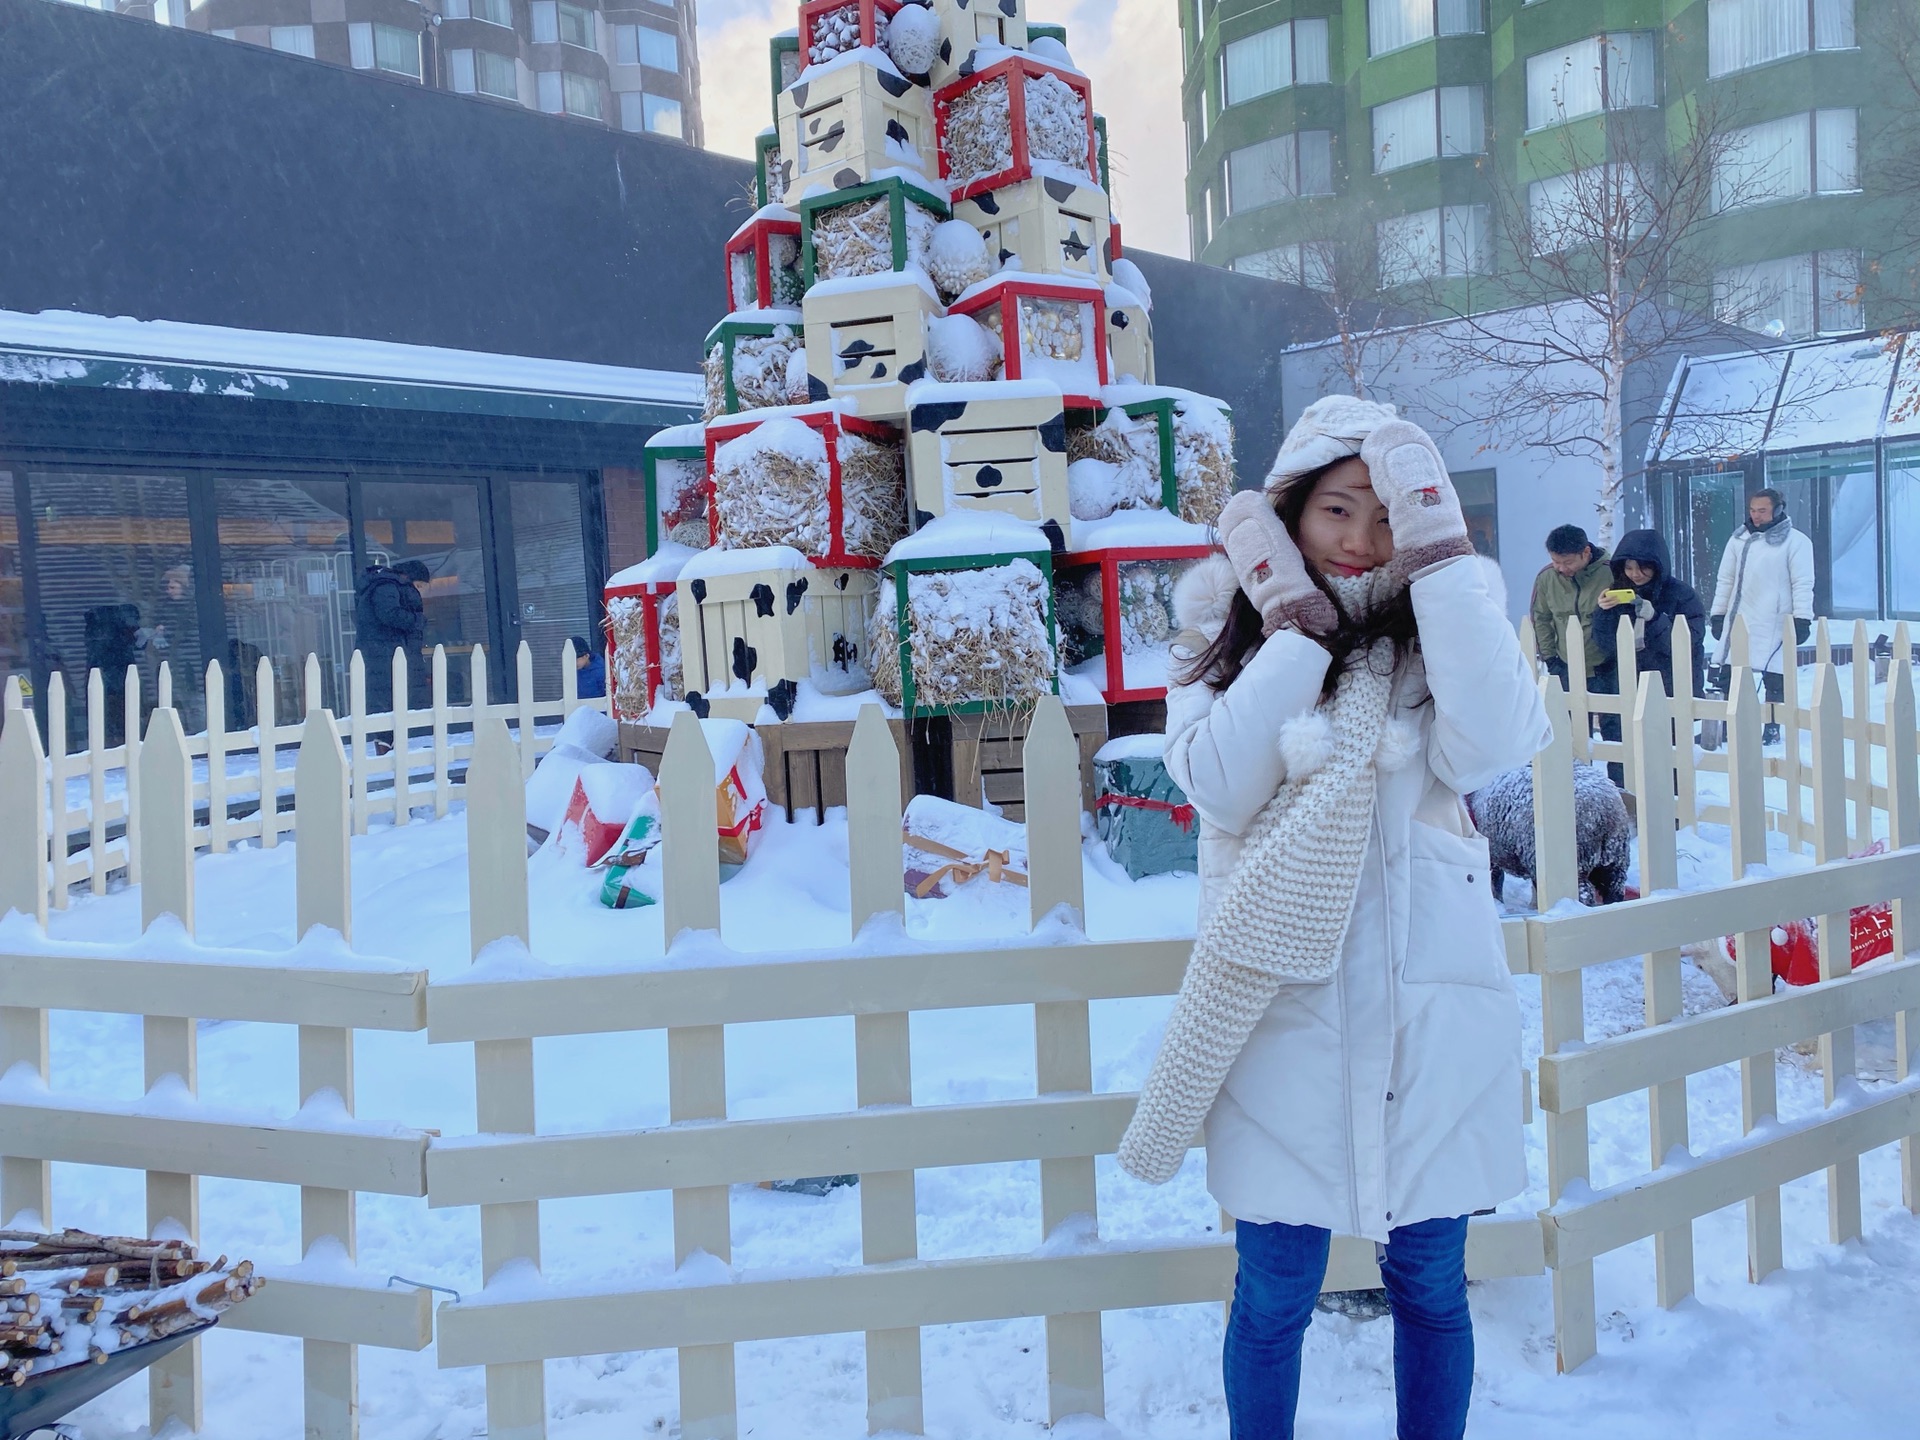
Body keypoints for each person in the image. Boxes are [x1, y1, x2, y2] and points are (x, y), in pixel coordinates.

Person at [1117, 397, 1551, 1440]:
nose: (1363, 540)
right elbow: (1221, 786)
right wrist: (1296, 632)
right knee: (1271, 1295)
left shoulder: (1444, 645)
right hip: (1283, 1020)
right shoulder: (1216, 634)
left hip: (1428, 1018)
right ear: (1287, 519)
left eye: (1389, 515)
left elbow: (1496, 738)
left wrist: (1442, 563)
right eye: (1337, 511)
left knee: (1434, 1287)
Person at [1709, 489, 1814, 746]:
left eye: (1762, 510)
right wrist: (1718, 613)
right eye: (1753, 510)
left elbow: (1802, 582)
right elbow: (1726, 579)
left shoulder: (1796, 542)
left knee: (1774, 677)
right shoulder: (1738, 539)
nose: (1755, 516)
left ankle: (1772, 725)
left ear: (1777, 510)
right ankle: (1726, 724)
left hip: (1774, 618)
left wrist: (1802, 617)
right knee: (1729, 674)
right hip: (1740, 617)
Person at [1529, 525, 1612, 688]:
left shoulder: (1610, 573)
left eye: (1568, 562)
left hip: (1607, 669)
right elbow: (1541, 620)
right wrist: (1551, 660)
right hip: (1564, 667)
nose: (1561, 568)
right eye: (1555, 561)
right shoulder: (1546, 579)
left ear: (1586, 552)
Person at [353, 559, 429, 716]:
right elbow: (389, 614)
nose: (419, 592)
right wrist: (417, 620)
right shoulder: (387, 586)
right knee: (390, 697)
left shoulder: (383, 585)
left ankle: (389, 736)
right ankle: (387, 737)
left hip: (383, 651)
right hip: (386, 652)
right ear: (410, 579)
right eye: (419, 586)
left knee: (388, 696)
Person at [571, 634, 607, 699]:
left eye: (576, 660)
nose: (573, 664)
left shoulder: (601, 672)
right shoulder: (572, 672)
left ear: (586, 656)